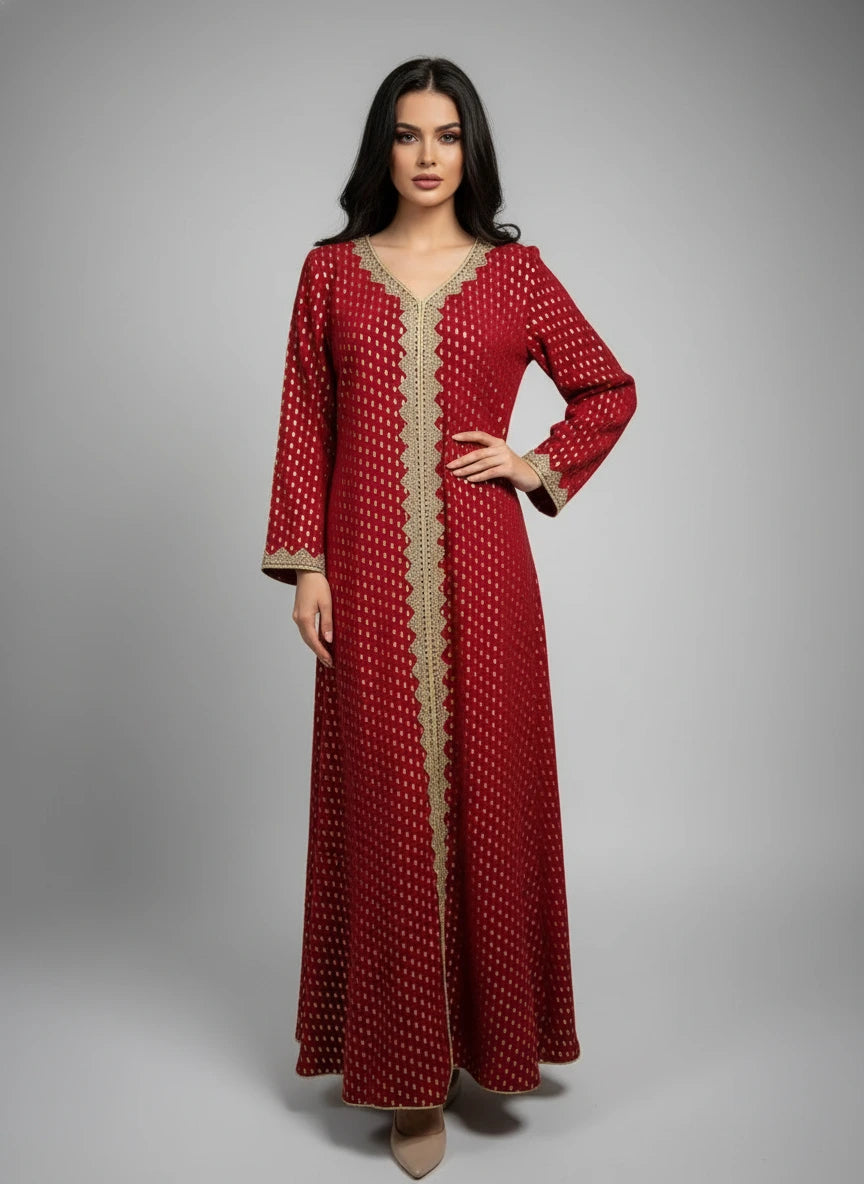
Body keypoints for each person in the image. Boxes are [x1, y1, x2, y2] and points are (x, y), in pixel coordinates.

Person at [260, 55, 637, 1178]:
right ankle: (406, 1073)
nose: (428, 156)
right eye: (409, 134)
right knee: (385, 802)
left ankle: (489, 1035)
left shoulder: (517, 277)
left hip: (484, 573)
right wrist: (308, 565)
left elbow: (606, 386)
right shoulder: (330, 274)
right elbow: (302, 419)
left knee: (487, 792)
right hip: (365, 573)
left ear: (473, 151)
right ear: (383, 147)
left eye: (449, 135)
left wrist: (536, 463)